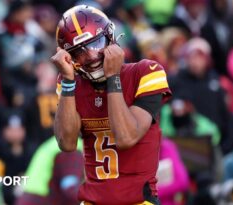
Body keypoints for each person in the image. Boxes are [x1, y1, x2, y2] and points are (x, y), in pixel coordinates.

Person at [51, 5, 171, 205]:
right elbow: (67, 143)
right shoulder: (69, 82)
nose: (91, 56)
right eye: (79, 52)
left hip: (138, 201)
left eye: (96, 43)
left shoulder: (146, 72)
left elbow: (126, 137)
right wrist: (68, 80)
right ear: (68, 57)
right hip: (92, 201)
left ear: (111, 38)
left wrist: (112, 77)